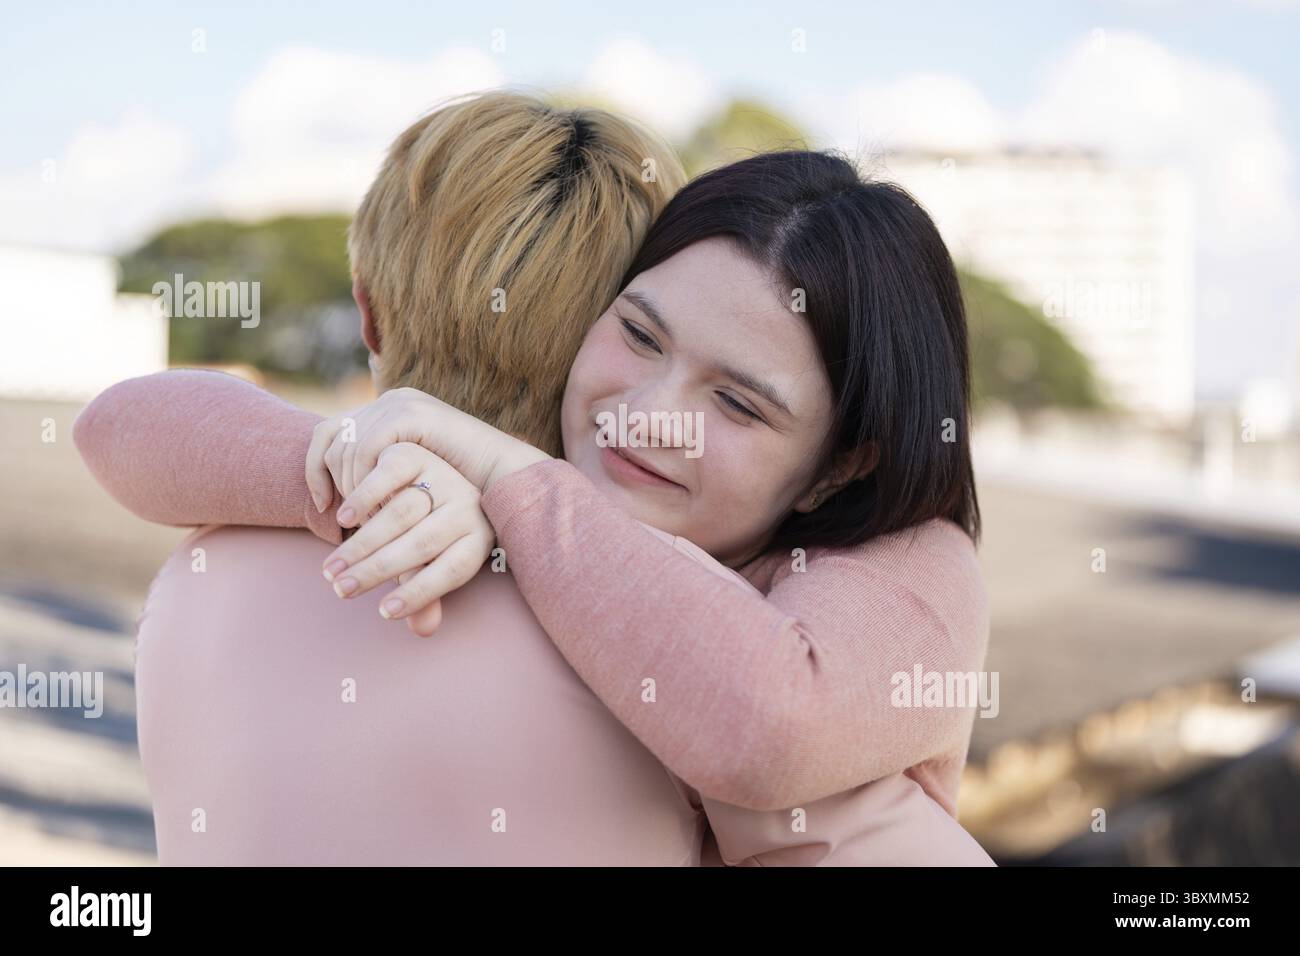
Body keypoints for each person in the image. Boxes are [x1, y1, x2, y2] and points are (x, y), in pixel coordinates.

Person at [77, 107, 993, 863]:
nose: (646, 415)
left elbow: (769, 728)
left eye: (740, 405)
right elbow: (120, 425)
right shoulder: (516, 540)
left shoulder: (893, 578)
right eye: (638, 334)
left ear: (846, 461)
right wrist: (402, 477)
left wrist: (505, 479)